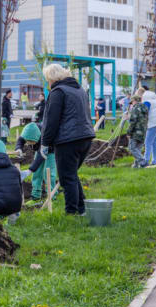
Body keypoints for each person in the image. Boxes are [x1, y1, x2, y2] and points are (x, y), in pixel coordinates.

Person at [41, 64, 95, 216]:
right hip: (85, 137)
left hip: (68, 140)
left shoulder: (58, 92)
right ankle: (82, 208)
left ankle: (71, 212)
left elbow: (52, 121)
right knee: (71, 174)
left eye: (47, 80)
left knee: (66, 177)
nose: (48, 84)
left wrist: (45, 143)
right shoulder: (79, 90)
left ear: (52, 78)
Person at [15, 122, 56, 203]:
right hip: (39, 150)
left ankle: (51, 196)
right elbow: (20, 140)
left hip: (51, 149)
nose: (29, 144)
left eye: (31, 142)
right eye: (27, 141)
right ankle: (35, 196)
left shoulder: (45, 135)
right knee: (37, 173)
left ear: (37, 138)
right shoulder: (28, 131)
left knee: (48, 172)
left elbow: (41, 155)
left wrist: (29, 170)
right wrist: (19, 148)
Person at [126, 95, 148, 168]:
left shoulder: (135, 109)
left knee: (132, 148)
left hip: (136, 131)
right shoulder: (145, 108)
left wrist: (129, 132)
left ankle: (143, 162)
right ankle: (136, 165)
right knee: (138, 148)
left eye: (131, 102)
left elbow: (133, 121)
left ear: (134, 101)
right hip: (143, 131)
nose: (131, 104)